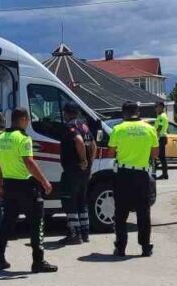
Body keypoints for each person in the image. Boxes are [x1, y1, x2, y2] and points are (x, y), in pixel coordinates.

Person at [0, 107, 57, 273]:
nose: (28, 123)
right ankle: (38, 261)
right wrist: (45, 181)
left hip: (9, 185)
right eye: (28, 120)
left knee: (6, 223)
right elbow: (28, 162)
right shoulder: (23, 138)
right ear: (23, 120)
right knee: (36, 223)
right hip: (26, 186)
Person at [107, 100, 159, 258]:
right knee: (143, 213)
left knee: (121, 213)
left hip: (123, 175)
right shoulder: (150, 129)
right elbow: (155, 154)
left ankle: (121, 248)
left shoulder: (118, 129)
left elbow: (110, 153)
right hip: (142, 175)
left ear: (124, 113)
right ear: (139, 112)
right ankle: (145, 248)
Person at [57, 102, 95, 244]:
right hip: (84, 172)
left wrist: (83, 159)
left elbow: (78, 141)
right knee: (81, 201)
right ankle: (85, 233)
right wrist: (89, 163)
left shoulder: (70, 126)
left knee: (69, 201)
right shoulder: (84, 125)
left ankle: (74, 234)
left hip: (73, 169)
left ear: (67, 113)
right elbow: (93, 144)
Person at [152, 101, 170, 180]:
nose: (156, 108)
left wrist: (155, 137)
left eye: (157, 106)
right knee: (161, 157)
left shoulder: (162, 116)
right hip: (161, 138)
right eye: (155, 106)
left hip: (160, 138)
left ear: (161, 107)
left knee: (157, 156)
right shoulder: (161, 116)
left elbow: (159, 128)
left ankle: (155, 174)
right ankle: (165, 174)